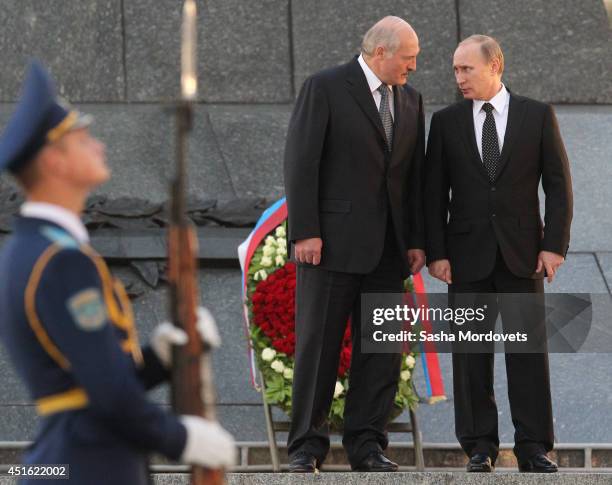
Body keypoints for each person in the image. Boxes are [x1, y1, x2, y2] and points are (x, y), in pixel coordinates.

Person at [0, 61, 235, 484]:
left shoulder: (31, 248)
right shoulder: (62, 259)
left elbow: (86, 377)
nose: (100, 146)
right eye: (84, 138)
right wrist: (179, 438)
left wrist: (156, 363)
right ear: (54, 161)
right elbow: (106, 396)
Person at [283, 16, 425, 473]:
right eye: (409, 58)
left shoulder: (412, 100)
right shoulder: (324, 87)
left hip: (389, 250)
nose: (413, 67)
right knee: (319, 345)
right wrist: (305, 230)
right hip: (331, 246)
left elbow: (412, 178)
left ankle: (367, 444)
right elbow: (301, 161)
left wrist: (417, 240)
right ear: (381, 52)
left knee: (381, 352)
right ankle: (307, 446)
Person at [425, 35, 573, 473]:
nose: (459, 78)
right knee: (471, 358)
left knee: (527, 355)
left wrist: (553, 247)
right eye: (455, 70)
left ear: (495, 66)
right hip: (465, 258)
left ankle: (533, 446)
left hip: (524, 255)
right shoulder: (447, 121)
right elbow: (433, 194)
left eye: (466, 69)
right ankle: (479, 446)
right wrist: (437, 252)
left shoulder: (536, 115)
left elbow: (559, 187)